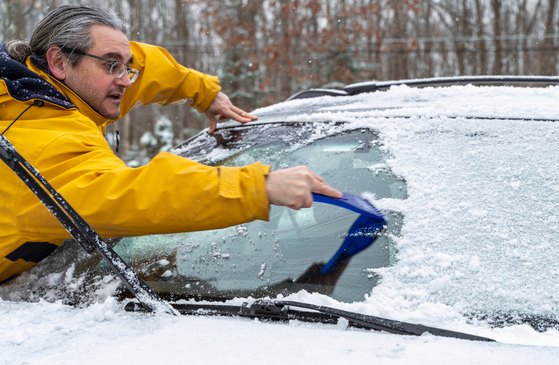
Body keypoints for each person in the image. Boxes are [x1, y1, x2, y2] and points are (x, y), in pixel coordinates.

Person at [0, 5, 341, 284]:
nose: (124, 78)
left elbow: (145, 66)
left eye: (126, 66)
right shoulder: (35, 140)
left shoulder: (41, 88)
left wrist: (203, 92)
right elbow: (134, 197)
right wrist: (258, 185)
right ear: (59, 62)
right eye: (112, 65)